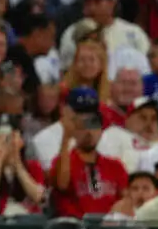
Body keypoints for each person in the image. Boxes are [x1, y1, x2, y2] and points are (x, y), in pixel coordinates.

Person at [49, 87, 129, 218]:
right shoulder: (65, 161)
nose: (89, 132)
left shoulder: (115, 166)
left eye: (93, 124)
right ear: (74, 129)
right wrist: (66, 137)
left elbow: (127, 199)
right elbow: (62, 184)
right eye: (82, 125)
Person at [0, 114, 47, 215]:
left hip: (28, 223)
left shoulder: (33, 166)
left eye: (10, 137)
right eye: (1, 138)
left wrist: (18, 164)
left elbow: (38, 198)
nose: (7, 142)